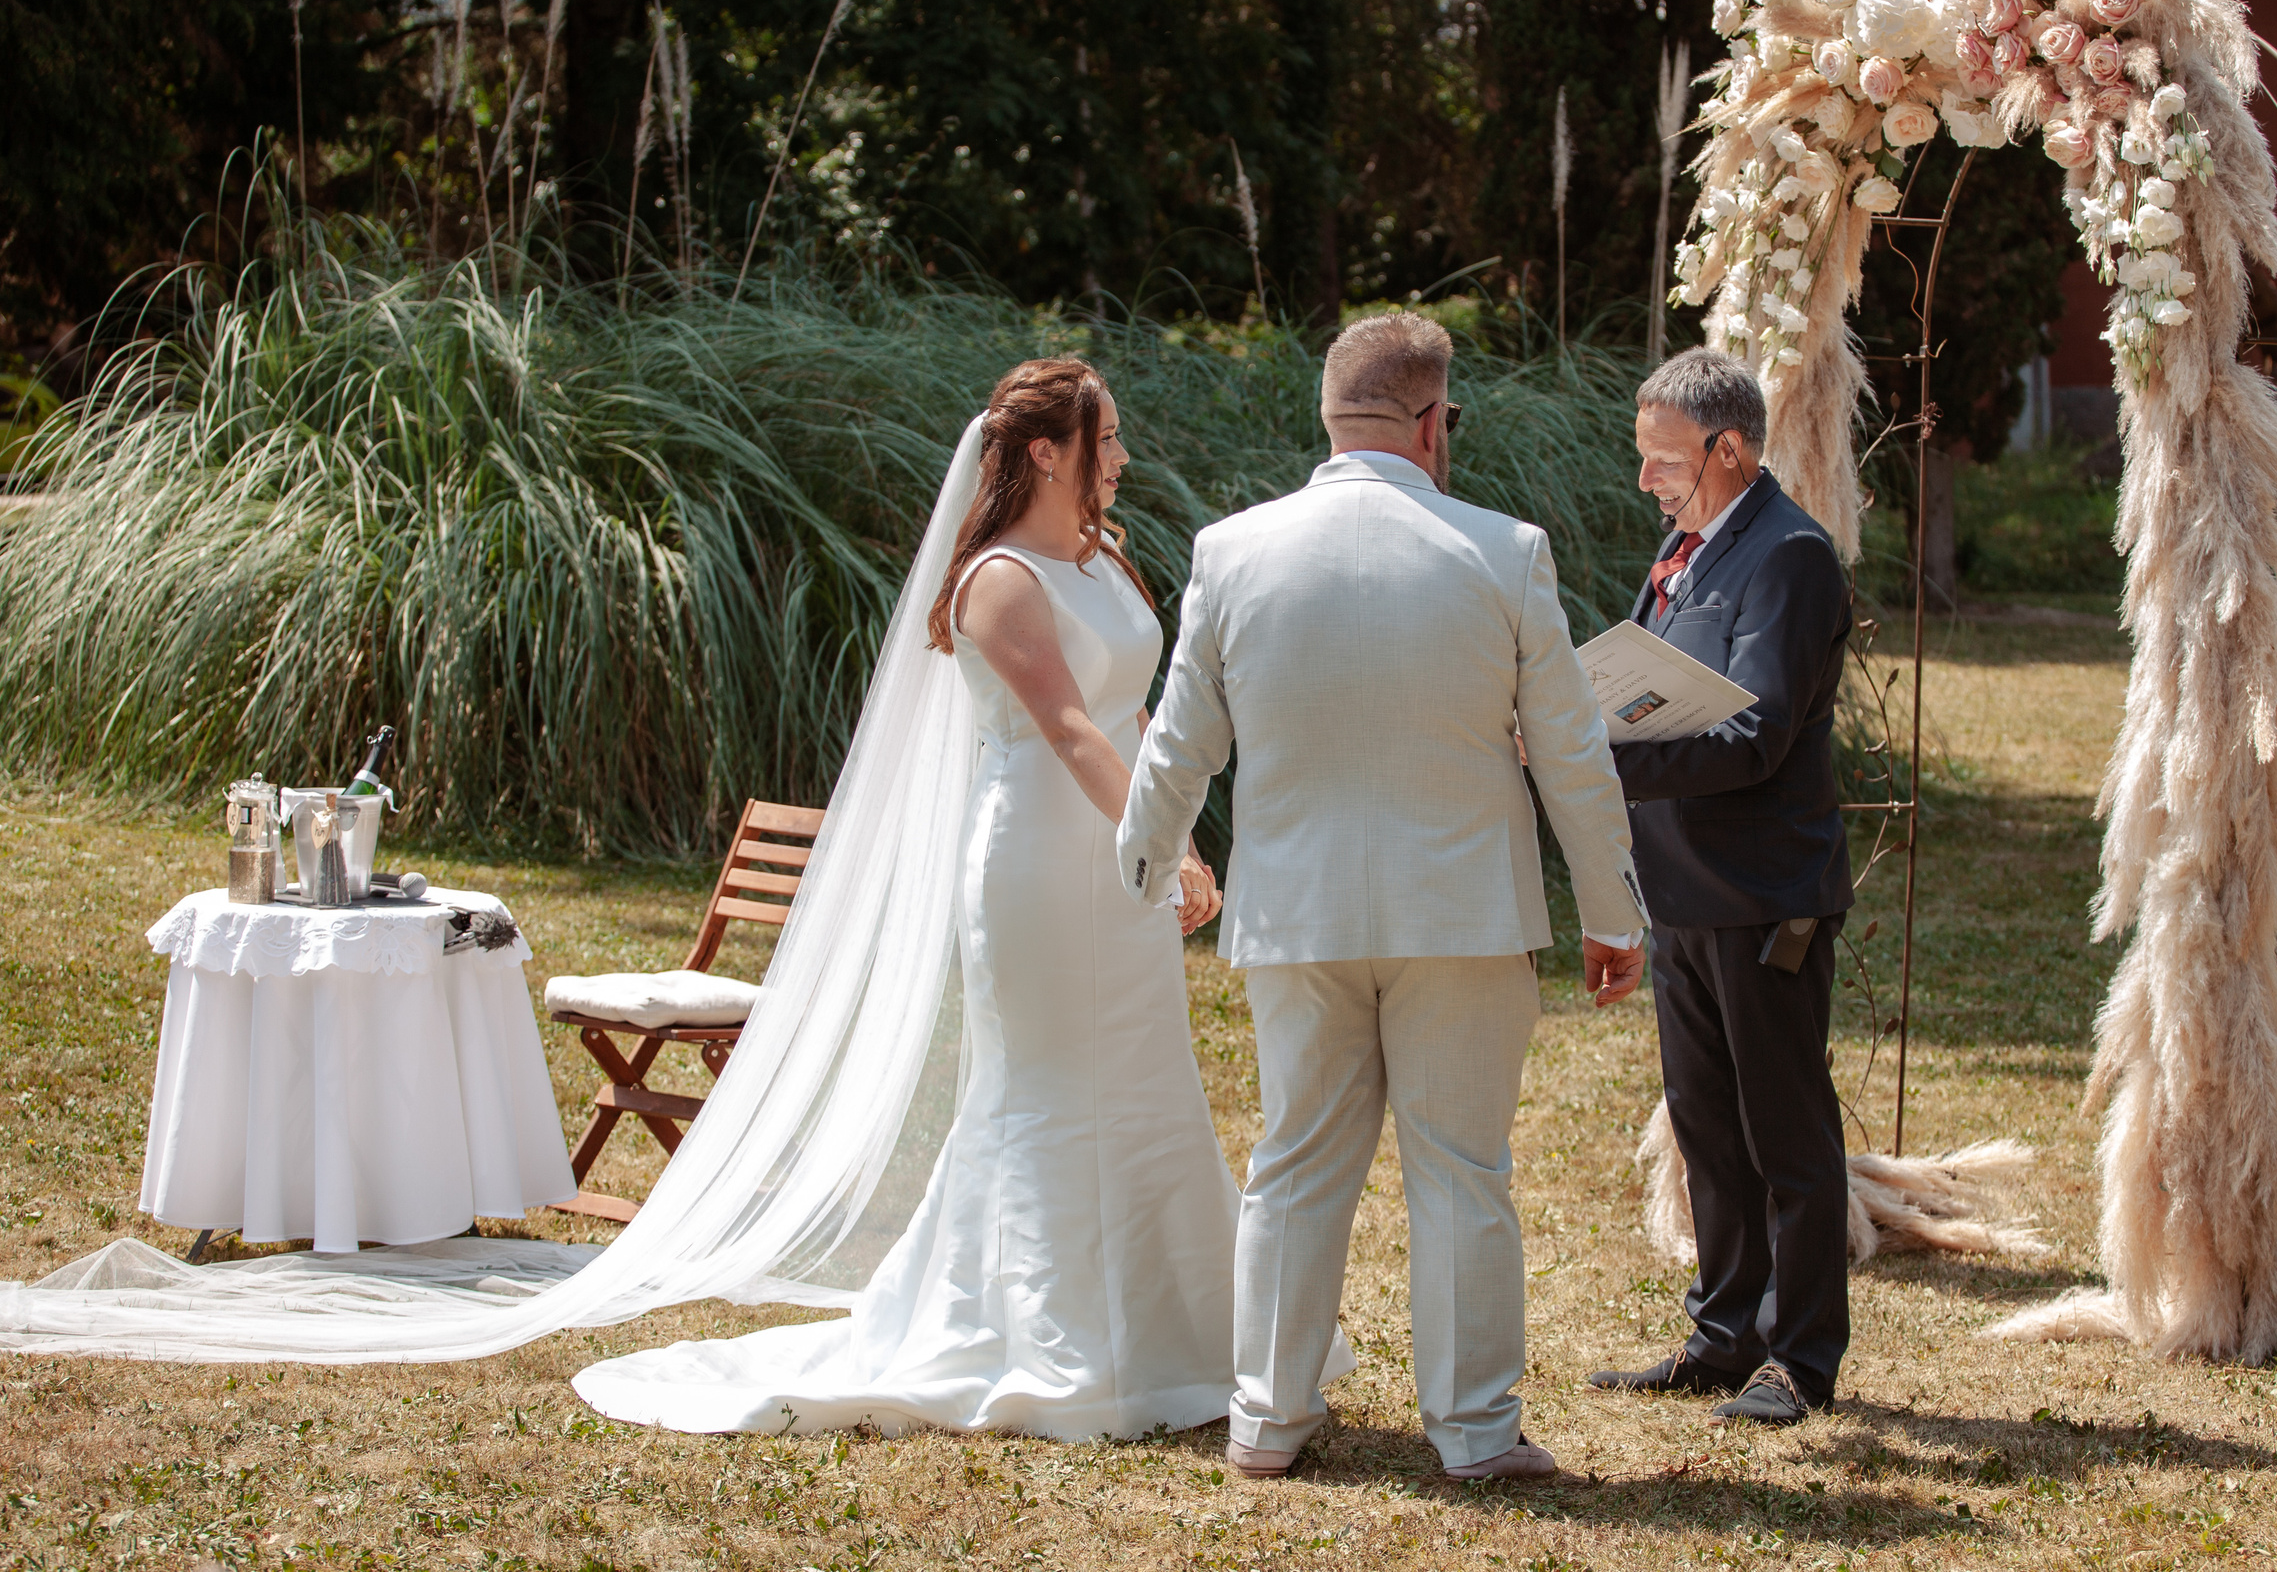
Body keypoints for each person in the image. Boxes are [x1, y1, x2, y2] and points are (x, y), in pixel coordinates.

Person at [575, 357, 1289, 1439]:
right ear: (1047, 452)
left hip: (1119, 849)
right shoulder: (999, 579)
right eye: (1107, 439)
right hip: (1040, 864)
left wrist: (1175, 840)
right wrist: (1158, 844)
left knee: (1144, 1072)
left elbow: (1133, 714)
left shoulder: (1104, 560)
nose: (1124, 456)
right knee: (1046, 1084)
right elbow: (1065, 728)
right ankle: (1044, 1336)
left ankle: (1177, 1329)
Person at [1118, 312, 1650, 1482]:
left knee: (1294, 1163)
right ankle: (1472, 1432)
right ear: (1428, 420)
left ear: (1330, 415)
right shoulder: (1504, 548)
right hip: (1461, 916)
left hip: (1295, 914)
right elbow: (1570, 751)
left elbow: (1177, 744)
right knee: (1461, 1171)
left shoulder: (1233, 549)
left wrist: (1142, 868)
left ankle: (1266, 1419)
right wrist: (1613, 913)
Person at [1585, 347, 1854, 1428]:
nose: (1648, 482)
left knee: (1785, 1132)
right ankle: (1722, 1333)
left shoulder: (1788, 557)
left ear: (1727, 449)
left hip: (1764, 892)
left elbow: (1752, 733)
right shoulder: (1685, 549)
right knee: (1705, 1126)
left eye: (1662, 463)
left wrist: (1596, 757)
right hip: (1684, 889)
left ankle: (1800, 1358)